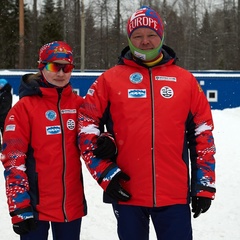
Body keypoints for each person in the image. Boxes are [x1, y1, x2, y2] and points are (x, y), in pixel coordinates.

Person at [78, 6, 216, 240]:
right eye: (137, 36)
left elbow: (203, 136)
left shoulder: (186, 81)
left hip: (174, 195)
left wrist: (204, 184)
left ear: (161, 37)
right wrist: (105, 173)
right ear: (129, 39)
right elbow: (85, 126)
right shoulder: (108, 80)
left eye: (151, 35)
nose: (145, 41)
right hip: (127, 192)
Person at [0, 41, 116, 240]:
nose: (61, 74)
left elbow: (92, 139)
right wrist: (19, 207)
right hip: (34, 208)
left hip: (70, 206)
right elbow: (13, 161)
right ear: (41, 67)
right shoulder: (23, 109)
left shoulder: (80, 105)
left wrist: (107, 140)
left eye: (67, 67)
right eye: (55, 66)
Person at [0, 78, 12, 149]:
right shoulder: (2, 93)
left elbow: (5, 107)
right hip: (1, 117)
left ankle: (6, 147)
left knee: (5, 133)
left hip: (4, 117)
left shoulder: (6, 94)